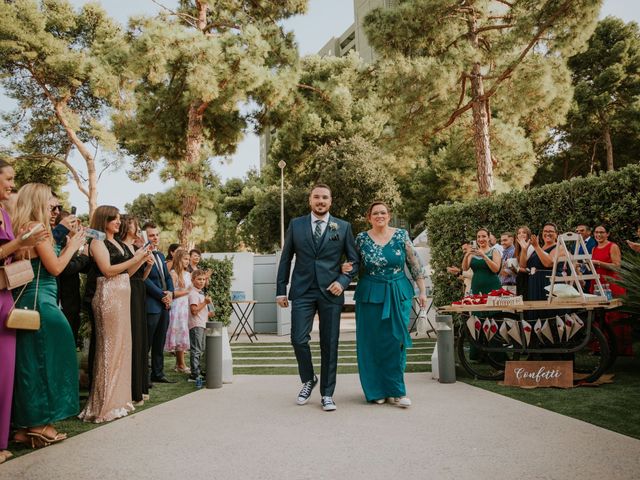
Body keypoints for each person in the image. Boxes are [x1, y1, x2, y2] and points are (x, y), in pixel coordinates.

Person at [11, 183, 86, 448]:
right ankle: (42, 425)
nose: (56, 211)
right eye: (51, 206)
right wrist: (73, 245)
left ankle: (26, 427)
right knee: (50, 362)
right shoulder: (38, 230)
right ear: (37, 204)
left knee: (31, 365)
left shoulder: (24, 228)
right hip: (42, 303)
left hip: (29, 303)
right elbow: (55, 268)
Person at [276, 184, 359, 411]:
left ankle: (327, 394)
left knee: (329, 343)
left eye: (324, 197)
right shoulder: (296, 224)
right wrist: (281, 290)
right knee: (298, 338)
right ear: (310, 200)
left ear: (330, 201)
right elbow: (285, 258)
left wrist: (342, 283)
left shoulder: (342, 227)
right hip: (302, 290)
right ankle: (308, 378)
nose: (320, 201)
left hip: (330, 292)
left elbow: (354, 261)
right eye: (316, 197)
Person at [346, 202, 426, 407]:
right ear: (369, 217)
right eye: (375, 213)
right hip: (370, 294)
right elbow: (354, 264)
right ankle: (375, 390)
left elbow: (414, 262)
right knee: (370, 342)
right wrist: (344, 267)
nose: (379, 216)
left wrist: (422, 290)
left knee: (395, 341)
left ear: (389, 216)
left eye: (383, 212)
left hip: (398, 292)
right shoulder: (361, 239)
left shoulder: (400, 235)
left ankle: (397, 391)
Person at [79, 206, 150, 423]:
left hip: (122, 296)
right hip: (107, 297)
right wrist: (135, 257)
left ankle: (119, 400)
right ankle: (103, 404)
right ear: (104, 220)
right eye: (115, 219)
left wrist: (141, 259)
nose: (119, 222)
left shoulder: (118, 242)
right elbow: (108, 270)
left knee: (122, 347)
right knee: (108, 349)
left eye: (119, 219)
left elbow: (127, 273)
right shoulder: (97, 243)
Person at [0, 164, 49, 460]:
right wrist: (20, 243)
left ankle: (3, 440)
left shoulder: (5, 215)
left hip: (5, 296)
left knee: (6, 371)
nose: (11, 185)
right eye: (8, 178)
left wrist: (21, 248)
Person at [118, 214, 154, 405]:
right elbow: (126, 273)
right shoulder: (123, 249)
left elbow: (141, 276)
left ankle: (141, 386)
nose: (137, 227)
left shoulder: (135, 248)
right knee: (133, 337)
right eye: (133, 224)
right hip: (127, 291)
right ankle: (132, 390)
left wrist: (147, 266)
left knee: (141, 338)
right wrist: (140, 259)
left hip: (139, 290)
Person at [590, 225, 632, 356]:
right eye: (596, 232)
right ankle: (600, 347)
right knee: (598, 315)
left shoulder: (613, 246)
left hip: (611, 283)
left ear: (608, 234)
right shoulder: (593, 248)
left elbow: (617, 266)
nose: (599, 235)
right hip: (598, 283)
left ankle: (618, 348)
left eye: (602, 232)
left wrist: (598, 263)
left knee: (614, 316)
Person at [143, 222, 175, 384]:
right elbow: (144, 280)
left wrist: (170, 293)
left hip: (165, 305)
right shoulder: (141, 254)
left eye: (156, 235)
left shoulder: (161, 256)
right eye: (151, 235)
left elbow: (168, 278)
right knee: (147, 343)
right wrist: (162, 295)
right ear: (144, 237)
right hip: (152, 305)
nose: (155, 238)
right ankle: (145, 377)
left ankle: (158, 373)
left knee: (160, 342)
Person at [165, 249, 192, 373]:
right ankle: (181, 364)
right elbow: (172, 293)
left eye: (188, 259)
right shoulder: (173, 273)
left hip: (185, 306)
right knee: (179, 333)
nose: (187, 261)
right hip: (177, 307)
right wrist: (187, 291)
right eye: (185, 259)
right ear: (179, 259)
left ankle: (179, 364)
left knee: (182, 333)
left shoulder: (187, 274)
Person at [188, 269, 214, 382]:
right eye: (199, 279)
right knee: (196, 350)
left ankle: (199, 370)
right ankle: (194, 374)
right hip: (196, 325)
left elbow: (208, 312)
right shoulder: (193, 294)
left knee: (202, 349)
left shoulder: (201, 293)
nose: (202, 281)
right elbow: (194, 311)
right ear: (193, 280)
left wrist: (210, 308)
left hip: (202, 324)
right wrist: (205, 303)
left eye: (203, 279)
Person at [462, 228, 502, 295]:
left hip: (492, 286)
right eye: (478, 237)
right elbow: (464, 268)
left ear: (488, 238)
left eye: (484, 236)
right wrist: (467, 255)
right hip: (476, 286)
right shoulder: (472, 253)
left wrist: (484, 256)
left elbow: (496, 269)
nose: (481, 239)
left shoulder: (494, 251)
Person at [514, 226, 534, 298]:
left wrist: (518, 268)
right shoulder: (518, 249)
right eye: (519, 233)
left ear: (528, 235)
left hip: (528, 279)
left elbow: (525, 266)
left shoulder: (531, 247)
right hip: (520, 278)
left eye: (524, 232)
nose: (521, 234)